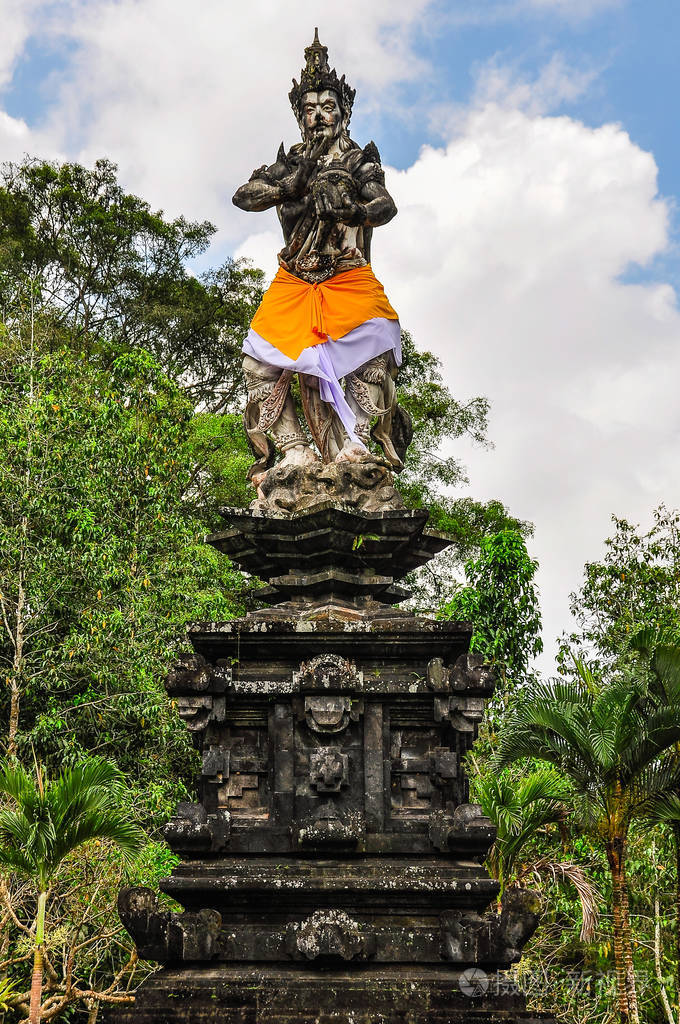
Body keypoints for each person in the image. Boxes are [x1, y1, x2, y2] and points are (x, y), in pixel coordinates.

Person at [233, 29, 411, 485]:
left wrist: (352, 211)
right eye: (309, 110)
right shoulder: (289, 164)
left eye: (327, 107)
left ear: (343, 112)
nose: (318, 118)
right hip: (297, 277)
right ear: (300, 117)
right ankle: (294, 450)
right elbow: (244, 196)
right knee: (258, 361)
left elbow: (385, 205)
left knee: (378, 341)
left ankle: (356, 440)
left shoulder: (357, 161)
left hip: (346, 273)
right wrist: (287, 187)